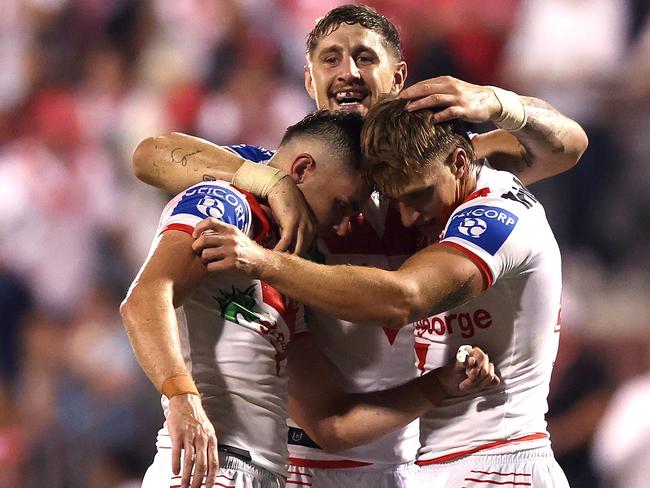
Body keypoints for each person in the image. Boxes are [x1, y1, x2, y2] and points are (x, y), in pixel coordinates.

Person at [131, 5, 587, 487]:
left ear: (399, 74)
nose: (347, 71)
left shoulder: (436, 174)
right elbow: (149, 156)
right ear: (309, 81)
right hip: (289, 460)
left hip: (394, 463)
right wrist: (269, 181)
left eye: (365, 57)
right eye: (330, 59)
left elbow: (567, 145)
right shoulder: (289, 175)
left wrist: (497, 102)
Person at [191, 97, 572, 486]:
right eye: (397, 201)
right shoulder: (322, 171)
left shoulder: (495, 214)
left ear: (459, 163)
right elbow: (154, 154)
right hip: (441, 464)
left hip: (501, 462)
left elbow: (401, 299)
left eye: (417, 195)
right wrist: (269, 180)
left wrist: (261, 261)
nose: (408, 217)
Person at [121, 109, 499, 488]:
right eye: (342, 205)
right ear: (301, 170)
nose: (342, 225)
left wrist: (441, 384)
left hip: (258, 473)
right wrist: (182, 398)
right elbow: (145, 296)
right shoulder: (228, 202)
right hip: (209, 466)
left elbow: (331, 424)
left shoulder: (285, 264)